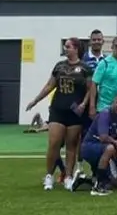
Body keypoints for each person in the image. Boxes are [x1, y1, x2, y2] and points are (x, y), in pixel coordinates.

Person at [26, 37, 92, 191]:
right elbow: (50, 85)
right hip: (58, 109)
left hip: (75, 112)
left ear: (76, 49)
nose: (66, 49)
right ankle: (49, 175)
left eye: (68, 46)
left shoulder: (85, 68)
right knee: (54, 143)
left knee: (71, 145)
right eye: (65, 46)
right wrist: (35, 100)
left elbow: (90, 89)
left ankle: (68, 176)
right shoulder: (59, 66)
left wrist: (84, 104)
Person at [80, 93, 117, 196]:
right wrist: (116, 143)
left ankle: (85, 180)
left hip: (104, 150)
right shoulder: (105, 114)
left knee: (116, 182)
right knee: (110, 148)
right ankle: (99, 186)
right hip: (90, 146)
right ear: (112, 102)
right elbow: (103, 137)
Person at [89, 36, 117, 119]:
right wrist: (92, 106)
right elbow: (94, 84)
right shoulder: (104, 63)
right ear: (112, 47)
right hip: (104, 107)